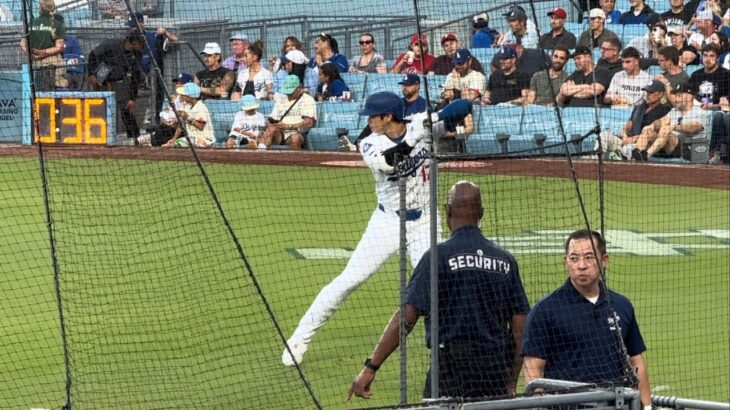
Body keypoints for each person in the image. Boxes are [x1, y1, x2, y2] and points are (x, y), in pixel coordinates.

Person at [282, 93, 471, 367]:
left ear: (389, 117)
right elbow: (389, 162)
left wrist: (436, 118)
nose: (368, 121)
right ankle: (300, 339)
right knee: (350, 279)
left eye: (373, 116)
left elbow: (464, 106)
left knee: (437, 287)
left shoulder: (421, 125)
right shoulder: (369, 143)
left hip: (425, 222)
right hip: (387, 223)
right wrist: (413, 138)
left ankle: (447, 346)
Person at [348, 180, 530, 400]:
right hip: (492, 370)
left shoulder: (437, 256)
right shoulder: (506, 261)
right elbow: (520, 328)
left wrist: (371, 367)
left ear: (447, 210)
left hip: (449, 369)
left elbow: (406, 317)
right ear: (481, 213)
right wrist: (510, 380)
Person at [521, 230, 652, 408]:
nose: (581, 265)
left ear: (604, 260)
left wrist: (647, 406)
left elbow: (636, 361)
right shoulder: (545, 310)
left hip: (615, 404)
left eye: (589, 257)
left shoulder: (622, 305)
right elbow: (532, 369)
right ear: (565, 261)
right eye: (574, 258)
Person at [87, 29, 144, 145]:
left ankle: (135, 138)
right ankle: (97, 136)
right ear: (133, 43)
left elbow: (135, 76)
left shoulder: (137, 54)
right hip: (103, 75)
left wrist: (132, 98)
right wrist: (91, 74)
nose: (142, 47)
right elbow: (92, 55)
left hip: (120, 80)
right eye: (140, 44)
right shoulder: (111, 44)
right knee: (99, 108)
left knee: (127, 109)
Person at [630, 82, 706, 160]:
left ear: (689, 97)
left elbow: (694, 127)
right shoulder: (674, 111)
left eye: (679, 95)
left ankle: (646, 156)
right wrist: (652, 126)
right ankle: (636, 155)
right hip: (669, 146)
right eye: (675, 95)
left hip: (687, 148)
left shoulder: (700, 112)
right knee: (648, 130)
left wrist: (673, 127)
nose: (675, 99)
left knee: (665, 129)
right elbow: (662, 121)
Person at [597, 80, 672, 158]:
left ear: (660, 94)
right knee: (604, 136)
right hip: (627, 141)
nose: (647, 95)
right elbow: (627, 126)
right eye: (647, 92)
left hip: (642, 146)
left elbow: (657, 134)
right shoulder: (640, 107)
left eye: (651, 92)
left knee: (628, 149)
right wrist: (625, 136)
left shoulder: (665, 110)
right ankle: (595, 159)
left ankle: (622, 159)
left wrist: (634, 139)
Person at [126, 11, 177, 124]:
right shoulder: (129, 40)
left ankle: (152, 122)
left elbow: (175, 40)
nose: (133, 29)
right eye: (131, 27)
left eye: (135, 26)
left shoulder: (152, 36)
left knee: (157, 99)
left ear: (141, 23)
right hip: (135, 77)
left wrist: (165, 32)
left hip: (153, 76)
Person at [258, 75, 316, 150]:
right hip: (280, 133)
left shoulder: (308, 99)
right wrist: (275, 124)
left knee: (295, 138)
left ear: (299, 88)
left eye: (291, 92)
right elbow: (271, 119)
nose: (288, 94)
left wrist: (289, 126)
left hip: (297, 132)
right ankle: (261, 154)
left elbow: (309, 122)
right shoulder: (281, 99)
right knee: (270, 129)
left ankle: (294, 161)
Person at [20, 0, 68, 90]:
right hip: (53, 62)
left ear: (40, 8)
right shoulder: (57, 24)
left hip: (34, 62)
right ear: (53, 9)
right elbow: (59, 47)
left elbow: (22, 44)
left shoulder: (31, 23)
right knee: (61, 84)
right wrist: (44, 52)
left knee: (35, 87)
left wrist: (31, 54)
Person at [163, 82, 215, 148]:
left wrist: (187, 117)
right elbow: (180, 126)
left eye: (184, 95)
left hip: (205, 139)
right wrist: (174, 139)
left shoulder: (201, 107)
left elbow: (201, 127)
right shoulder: (187, 106)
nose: (182, 96)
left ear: (190, 96)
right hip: (191, 138)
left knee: (178, 144)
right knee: (174, 143)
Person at [688, 43, 730, 107]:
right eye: (705, 55)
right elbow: (689, 94)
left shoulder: (726, 74)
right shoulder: (695, 75)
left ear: (718, 58)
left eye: (712, 56)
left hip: (717, 111)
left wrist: (726, 98)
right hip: (698, 110)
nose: (708, 59)